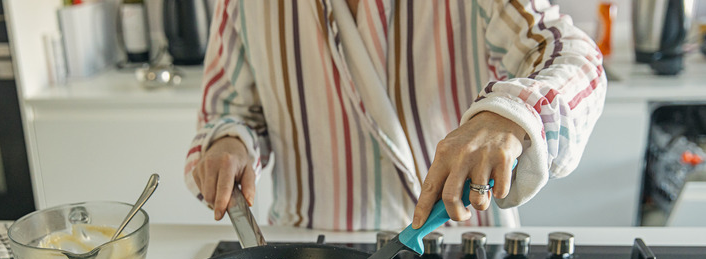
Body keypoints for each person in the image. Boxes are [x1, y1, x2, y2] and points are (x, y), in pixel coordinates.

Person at [184, 0, 606, 231]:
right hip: (310, 247)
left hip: (462, 242)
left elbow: (575, 56)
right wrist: (229, 143)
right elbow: (230, 110)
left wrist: (510, 115)